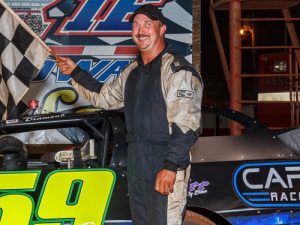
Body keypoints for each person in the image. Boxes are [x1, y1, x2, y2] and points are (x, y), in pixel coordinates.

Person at [56, 4, 203, 225]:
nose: (140, 30)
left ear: (161, 29)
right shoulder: (131, 71)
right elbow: (104, 96)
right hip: (137, 162)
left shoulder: (177, 71)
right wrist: (75, 72)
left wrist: (170, 167)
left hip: (165, 160)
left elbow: (186, 126)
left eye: (147, 24)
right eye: (135, 25)